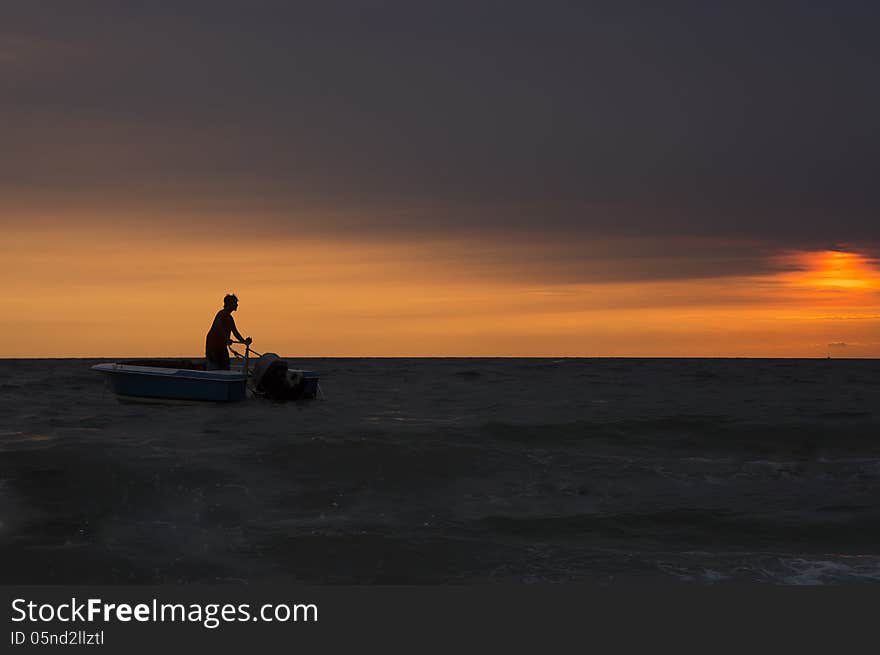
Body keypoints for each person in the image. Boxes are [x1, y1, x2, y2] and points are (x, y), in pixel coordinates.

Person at [205, 294, 252, 370]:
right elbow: (218, 327)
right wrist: (226, 338)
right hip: (213, 346)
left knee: (225, 366)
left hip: (222, 346)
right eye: (235, 303)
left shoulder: (230, 318)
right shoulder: (221, 314)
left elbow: (235, 333)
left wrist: (244, 341)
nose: (237, 305)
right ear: (230, 304)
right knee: (216, 367)